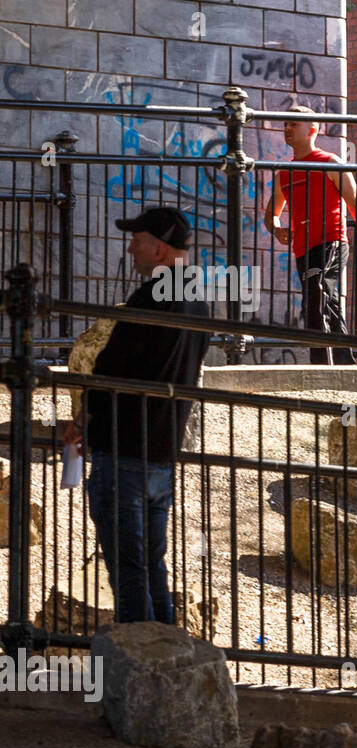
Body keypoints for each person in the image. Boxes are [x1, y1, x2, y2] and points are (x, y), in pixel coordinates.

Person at [62, 207, 211, 625]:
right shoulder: (199, 300)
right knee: (151, 569)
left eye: (137, 239)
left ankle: (136, 672)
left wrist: (83, 419)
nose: (131, 248)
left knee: (129, 574)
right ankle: (167, 662)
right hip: (161, 454)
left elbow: (111, 370)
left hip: (123, 453)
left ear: (159, 248)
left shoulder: (147, 301)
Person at [264, 104, 357, 365]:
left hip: (332, 242)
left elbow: (356, 206)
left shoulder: (330, 162)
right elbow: (270, 214)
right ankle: (343, 365)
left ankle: (322, 365)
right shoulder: (283, 172)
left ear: (313, 129)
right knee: (324, 302)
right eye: (285, 124)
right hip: (303, 249)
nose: (287, 128)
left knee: (317, 294)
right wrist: (276, 229)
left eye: (293, 124)